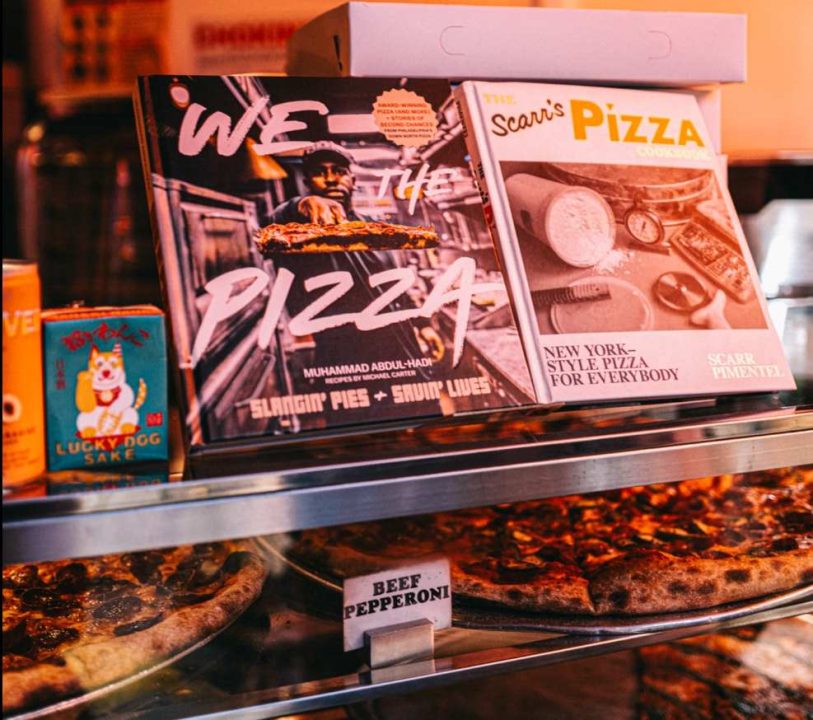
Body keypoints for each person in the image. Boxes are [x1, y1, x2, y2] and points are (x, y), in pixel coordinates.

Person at [266, 141, 445, 419]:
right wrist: (299, 204)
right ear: (307, 182)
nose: (330, 178)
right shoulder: (299, 232)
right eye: (320, 172)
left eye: (339, 171)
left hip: (402, 350)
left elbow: (394, 284)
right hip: (347, 361)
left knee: (425, 422)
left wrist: (423, 325)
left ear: (352, 179)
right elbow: (270, 225)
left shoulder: (372, 226)